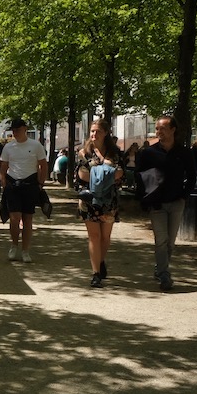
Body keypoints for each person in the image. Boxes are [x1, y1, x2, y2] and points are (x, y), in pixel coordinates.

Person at [135, 115, 197, 292]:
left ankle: (160, 267)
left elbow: (192, 177)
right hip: (157, 204)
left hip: (177, 202)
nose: (158, 131)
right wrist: (144, 198)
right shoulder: (148, 153)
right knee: (161, 240)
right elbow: (138, 176)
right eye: (157, 128)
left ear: (173, 130)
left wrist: (184, 196)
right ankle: (164, 274)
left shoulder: (184, 152)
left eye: (162, 128)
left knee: (170, 242)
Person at [75, 119, 124, 288]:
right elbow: (82, 176)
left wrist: (97, 174)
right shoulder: (84, 153)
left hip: (109, 200)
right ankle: (96, 272)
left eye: (98, 131)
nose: (94, 134)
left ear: (106, 133)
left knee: (105, 236)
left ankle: (101, 260)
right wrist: (107, 174)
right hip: (90, 199)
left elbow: (121, 173)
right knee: (94, 236)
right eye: (92, 131)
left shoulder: (115, 152)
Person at [0, 118, 48, 263]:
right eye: (13, 130)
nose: (15, 133)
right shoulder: (8, 147)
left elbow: (43, 165)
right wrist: (4, 183)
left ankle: (25, 250)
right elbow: (3, 167)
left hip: (30, 184)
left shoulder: (35, 145)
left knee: (28, 218)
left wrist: (40, 183)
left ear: (25, 129)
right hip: (13, 184)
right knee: (14, 218)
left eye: (17, 130)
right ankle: (14, 245)